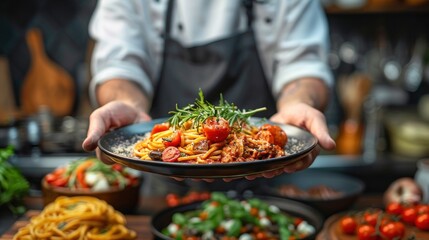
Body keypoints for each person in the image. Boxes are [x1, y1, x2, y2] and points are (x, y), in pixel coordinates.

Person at [82, 0, 336, 190]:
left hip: (269, 177)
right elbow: (120, 64)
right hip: (162, 180)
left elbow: (305, 66)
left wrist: (300, 102)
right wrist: (126, 103)